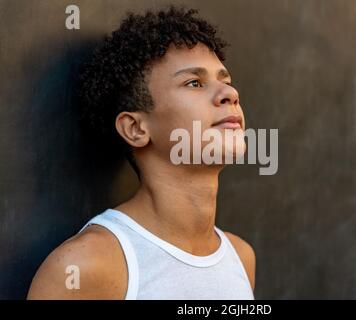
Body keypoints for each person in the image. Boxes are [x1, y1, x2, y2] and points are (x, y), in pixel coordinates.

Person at [27, 5, 255, 300]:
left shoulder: (241, 257)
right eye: (194, 83)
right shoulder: (85, 267)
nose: (230, 94)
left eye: (225, 81)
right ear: (135, 128)